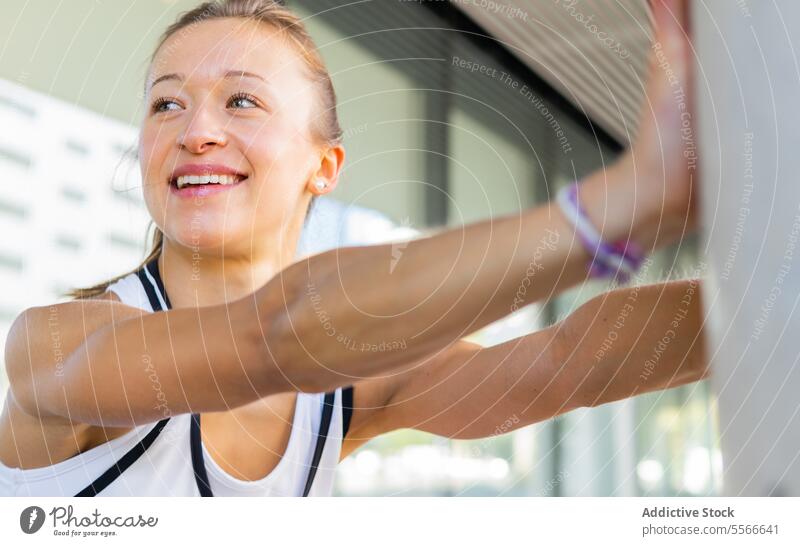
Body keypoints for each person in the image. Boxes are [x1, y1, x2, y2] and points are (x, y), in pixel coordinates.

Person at [0, 0, 704, 496]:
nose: (196, 132)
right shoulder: (54, 344)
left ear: (325, 165)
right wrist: (627, 202)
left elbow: (564, 363)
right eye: (166, 103)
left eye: (241, 101)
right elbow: (275, 337)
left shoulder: (348, 389)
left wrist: (776, 294)